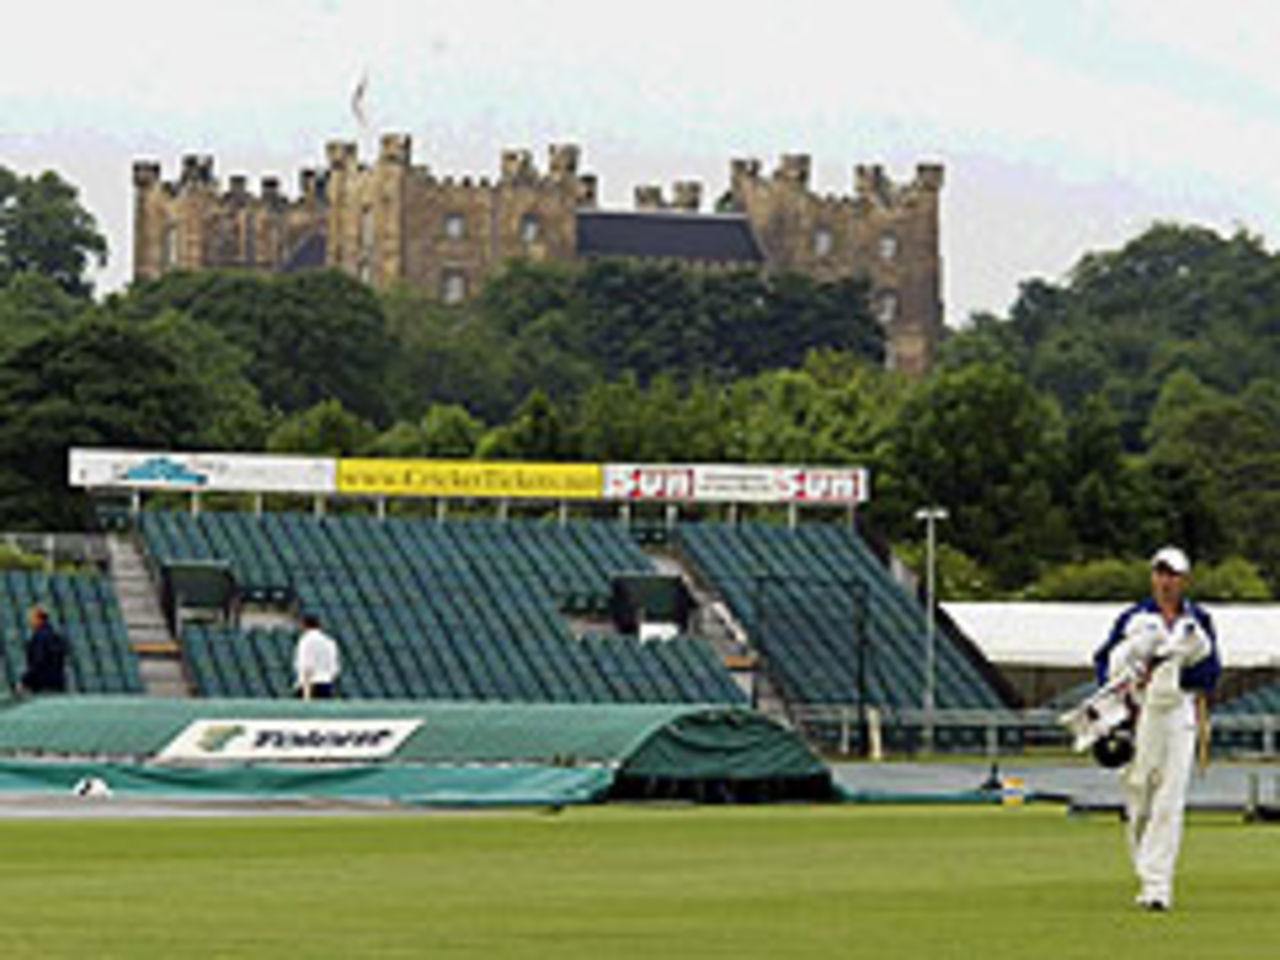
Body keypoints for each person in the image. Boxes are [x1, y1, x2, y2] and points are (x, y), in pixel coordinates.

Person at [1092, 546, 1221, 912]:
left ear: (1184, 580)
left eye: (1173, 575)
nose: (1166, 582)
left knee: (1170, 799)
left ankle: (1158, 885)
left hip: (1178, 711)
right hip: (1142, 710)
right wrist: (1124, 686)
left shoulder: (1199, 620)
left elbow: (1211, 673)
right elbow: (1104, 661)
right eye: (1160, 574)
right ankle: (1145, 872)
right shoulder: (1133, 617)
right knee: (1139, 795)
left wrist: (1178, 664)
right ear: (1153, 577)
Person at [21, 604, 68, 694]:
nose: (30, 621)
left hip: (42, 685)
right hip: (57, 684)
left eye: (32, 618)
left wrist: (26, 681)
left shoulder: (39, 638)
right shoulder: (55, 637)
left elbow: (38, 661)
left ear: (39, 619)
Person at [293, 613, 340, 700]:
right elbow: (333, 670)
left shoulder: (306, 641)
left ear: (304, 625)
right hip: (326, 685)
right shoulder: (329, 642)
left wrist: (307, 697)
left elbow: (307, 668)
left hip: (310, 687)